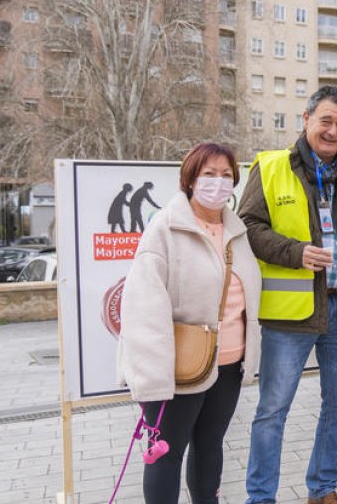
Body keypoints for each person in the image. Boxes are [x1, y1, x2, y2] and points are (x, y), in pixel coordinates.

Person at [240, 85, 337, 504]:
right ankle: (261, 497)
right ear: (306, 120)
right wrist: (295, 252)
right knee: (272, 411)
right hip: (291, 314)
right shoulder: (270, 167)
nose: (333, 130)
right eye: (326, 120)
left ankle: (323, 489)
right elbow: (247, 227)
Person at [117, 142, 262, 504]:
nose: (218, 182)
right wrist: (153, 381)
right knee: (165, 455)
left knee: (210, 448)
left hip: (228, 364)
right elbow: (144, 309)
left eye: (226, 175)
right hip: (178, 370)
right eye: (208, 174)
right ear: (190, 180)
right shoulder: (165, 229)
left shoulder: (237, 231)